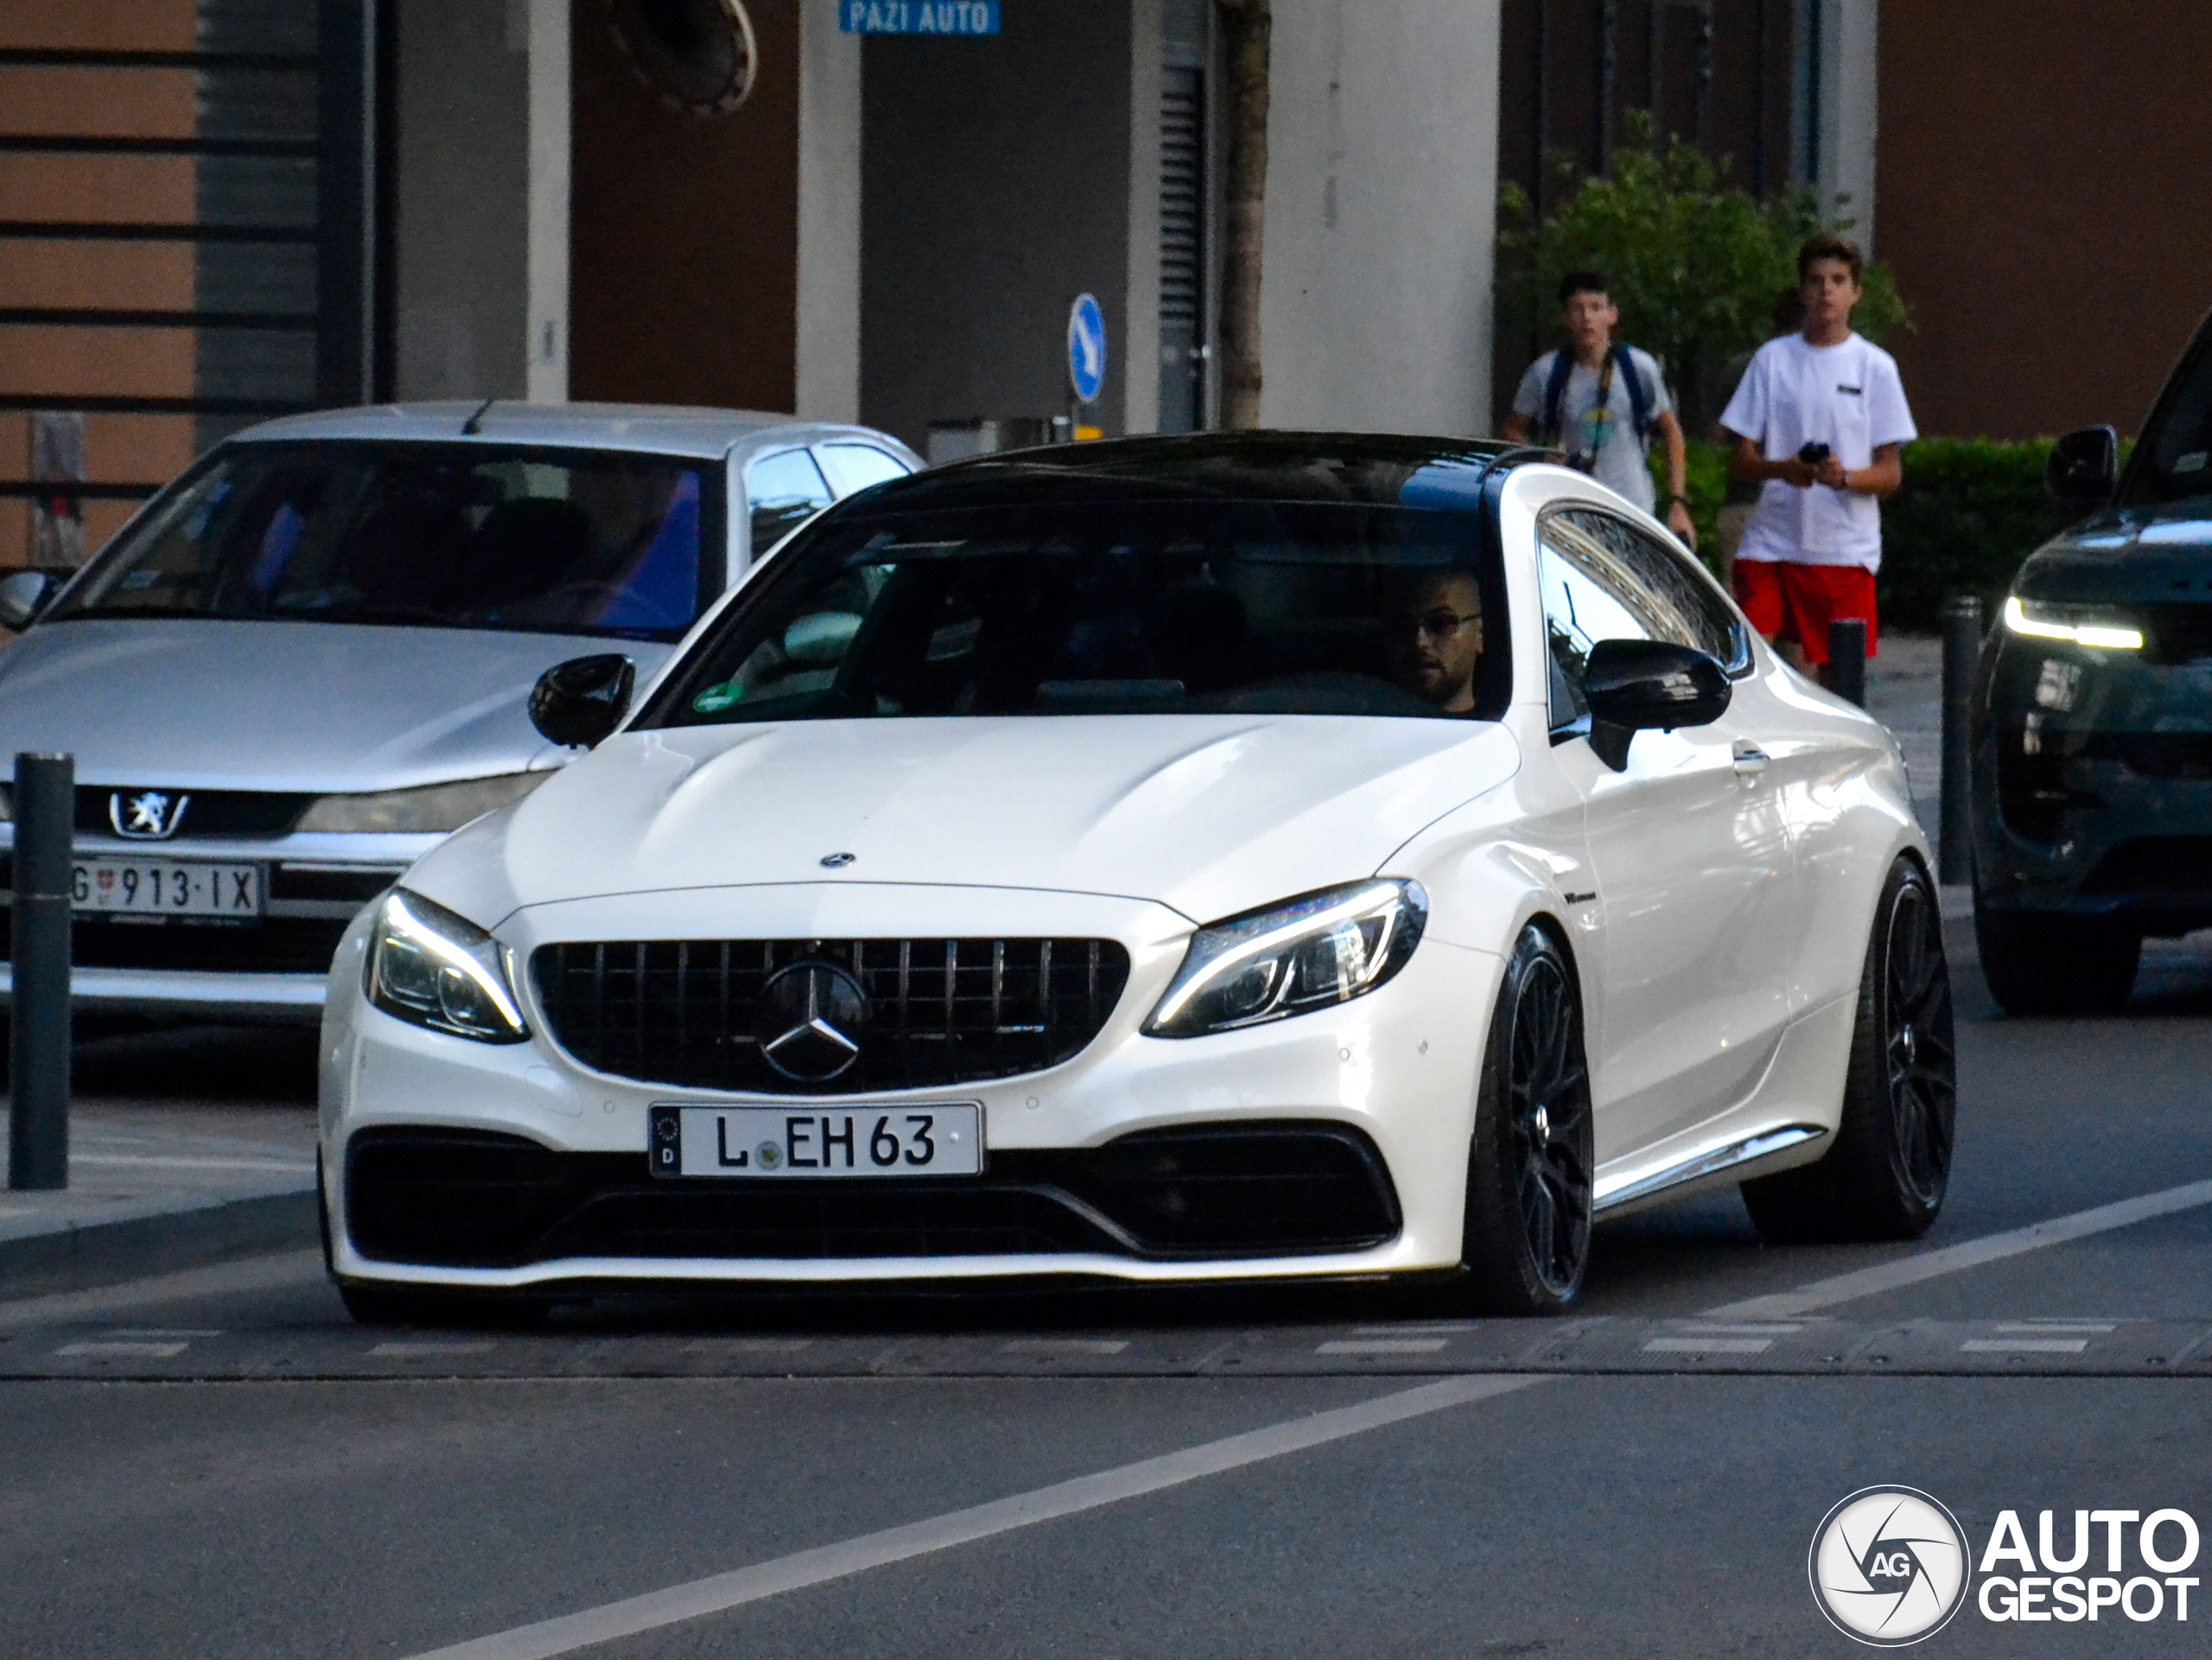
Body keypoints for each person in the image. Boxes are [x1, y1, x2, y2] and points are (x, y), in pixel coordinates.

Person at [1719, 234, 1916, 682]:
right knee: (1750, 666)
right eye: (1816, 281)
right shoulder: (1772, 360)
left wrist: (1843, 478)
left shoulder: (1875, 366)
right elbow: (1741, 460)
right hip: (1772, 541)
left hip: (1843, 549)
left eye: (1838, 280)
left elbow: (1890, 473)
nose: (1826, 290)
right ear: (1802, 291)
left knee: (1835, 681)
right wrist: (1786, 469)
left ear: (1855, 293)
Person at [1503, 270, 1698, 550]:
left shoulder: (1638, 369)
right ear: (1566, 318)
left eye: (1596, 308)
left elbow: (1671, 431)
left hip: (1633, 508)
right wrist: (1541, 457)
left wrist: (1678, 502)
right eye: (1577, 309)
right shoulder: (1547, 372)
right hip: (1570, 510)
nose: (1587, 318)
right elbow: (1512, 429)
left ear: (1612, 315)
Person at [1382, 569, 1484, 714]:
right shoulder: (1361, 725)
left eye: (1440, 623)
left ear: (1480, 633)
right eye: (1403, 625)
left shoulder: (1504, 728)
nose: (1419, 641)